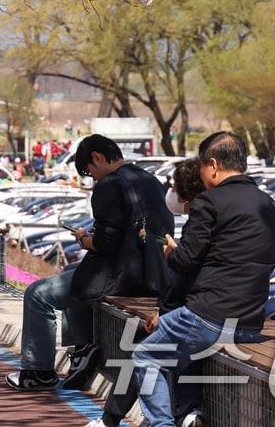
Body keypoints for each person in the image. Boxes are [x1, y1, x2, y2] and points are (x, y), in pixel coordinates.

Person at [127, 131, 275, 427]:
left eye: (201, 166)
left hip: (208, 318)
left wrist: (167, 249)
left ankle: (163, 423)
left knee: (146, 355)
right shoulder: (272, 207)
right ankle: (188, 412)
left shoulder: (209, 203)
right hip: (250, 324)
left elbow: (185, 261)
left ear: (212, 165)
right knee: (180, 350)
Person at [7, 134, 172, 393]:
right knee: (74, 271)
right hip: (153, 272)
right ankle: (83, 350)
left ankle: (37, 372)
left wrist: (84, 239)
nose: (93, 178)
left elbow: (106, 245)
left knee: (37, 295)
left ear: (97, 157)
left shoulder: (109, 185)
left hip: (125, 275)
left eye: (90, 172)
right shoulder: (150, 180)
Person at [89, 158, 206, 427]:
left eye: (176, 186)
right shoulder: (214, 216)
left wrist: (162, 310)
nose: (172, 192)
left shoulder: (202, 221)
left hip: (198, 310)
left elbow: (184, 274)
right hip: (210, 309)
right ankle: (187, 413)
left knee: (144, 347)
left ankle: (118, 418)